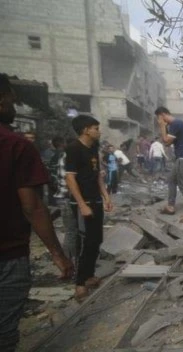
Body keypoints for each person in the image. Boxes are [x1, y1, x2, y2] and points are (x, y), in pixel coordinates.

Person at [0, 74, 73, 352]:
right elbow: (32, 207)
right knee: (5, 334)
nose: (14, 101)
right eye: (9, 96)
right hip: (7, 254)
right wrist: (57, 254)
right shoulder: (15, 144)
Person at [65, 114, 113, 302]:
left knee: (96, 240)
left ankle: (89, 274)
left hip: (96, 200)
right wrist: (82, 204)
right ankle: (79, 284)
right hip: (82, 203)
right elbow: (70, 178)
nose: (98, 131)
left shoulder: (93, 148)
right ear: (85, 129)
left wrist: (106, 196)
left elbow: (98, 176)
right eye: (96, 128)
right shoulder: (74, 148)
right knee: (84, 243)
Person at [155, 106, 183, 223]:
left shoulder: (175, 124)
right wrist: (165, 129)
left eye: (158, 118)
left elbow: (165, 141)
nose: (158, 121)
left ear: (162, 115)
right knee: (171, 180)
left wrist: (162, 126)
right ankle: (170, 206)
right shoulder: (176, 124)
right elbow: (168, 144)